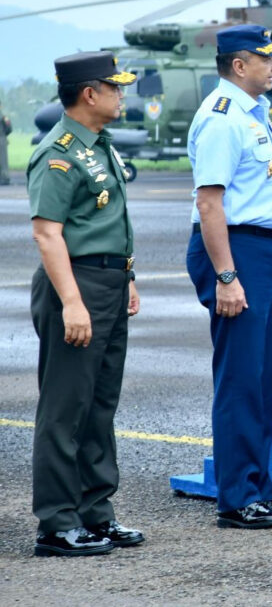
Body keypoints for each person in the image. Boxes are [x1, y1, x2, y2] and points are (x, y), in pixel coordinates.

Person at [26, 52, 143, 556]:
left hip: (109, 283)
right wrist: (72, 303)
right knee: (64, 408)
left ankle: (96, 513)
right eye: (115, 87)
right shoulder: (59, 151)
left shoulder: (102, 146)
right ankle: (56, 522)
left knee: (99, 406)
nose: (123, 95)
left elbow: (108, 221)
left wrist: (128, 277)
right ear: (89, 94)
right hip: (75, 286)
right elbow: (48, 234)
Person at [186, 24, 272, 529]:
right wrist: (226, 275)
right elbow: (209, 203)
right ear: (238, 65)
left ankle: (259, 488)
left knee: (260, 378)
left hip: (261, 250)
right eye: (265, 58)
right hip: (235, 249)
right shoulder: (223, 119)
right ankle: (237, 497)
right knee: (239, 379)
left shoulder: (253, 116)